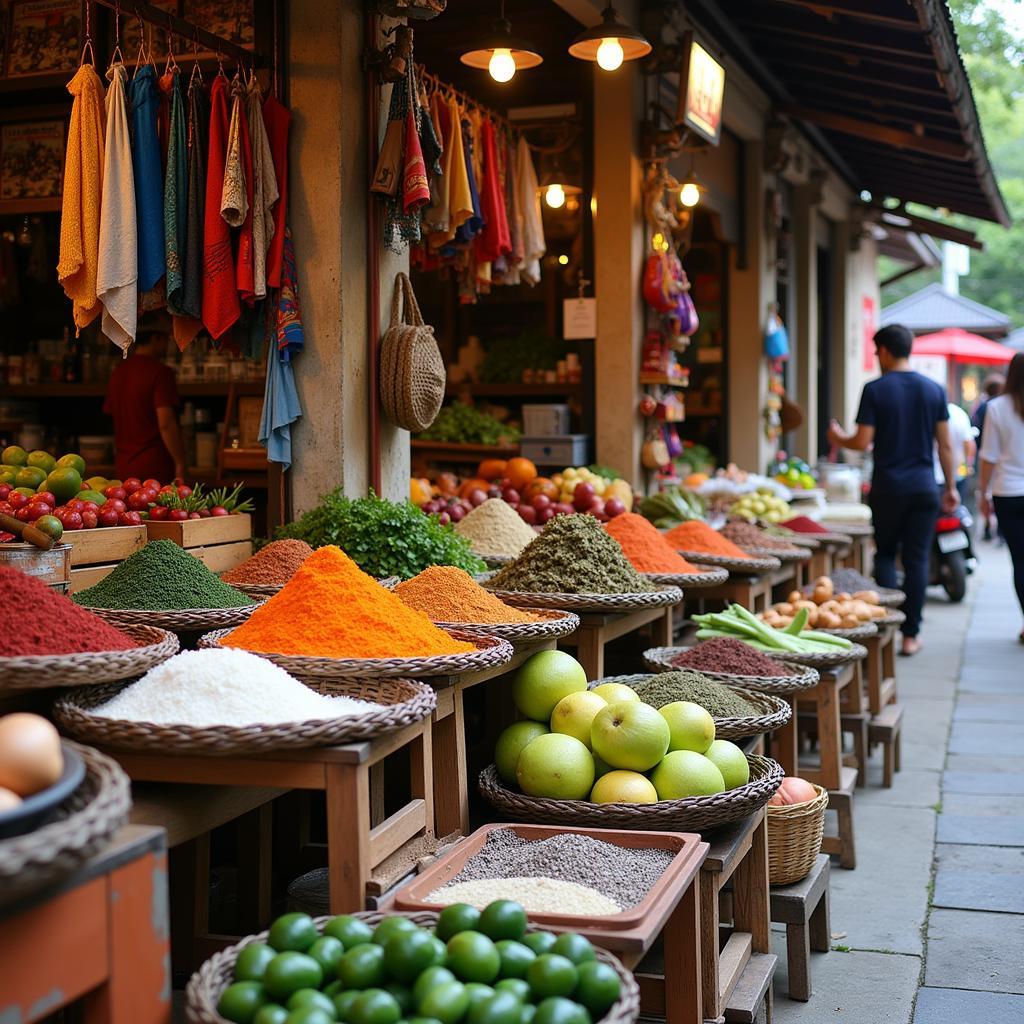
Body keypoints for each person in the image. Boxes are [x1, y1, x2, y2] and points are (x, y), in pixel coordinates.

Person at [828, 323, 957, 657]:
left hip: (888, 488)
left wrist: (837, 436)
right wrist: (951, 487)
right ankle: (911, 635)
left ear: (884, 351)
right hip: (925, 488)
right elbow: (945, 445)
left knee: (885, 554)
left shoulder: (875, 389)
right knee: (915, 560)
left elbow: (861, 441)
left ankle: (884, 632)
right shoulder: (934, 390)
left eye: (876, 351)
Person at [977, 352, 1024, 641]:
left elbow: (989, 457)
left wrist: (983, 492)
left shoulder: (996, 408)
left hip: (1008, 492)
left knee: (1020, 560)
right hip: (1008, 491)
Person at [103, 329, 187, 484]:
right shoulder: (161, 373)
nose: (169, 344)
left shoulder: (117, 373)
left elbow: (112, 415)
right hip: (155, 466)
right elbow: (166, 424)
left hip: (124, 465)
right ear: (155, 339)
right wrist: (180, 462)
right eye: (166, 339)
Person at [973, 374, 1005, 541]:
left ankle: (987, 526)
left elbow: (975, 431)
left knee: (989, 494)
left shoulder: (987, 407)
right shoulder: (1008, 407)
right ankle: (999, 530)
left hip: (987, 456)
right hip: (1003, 462)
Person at [934, 401, 975, 506]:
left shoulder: (926, 411)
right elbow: (969, 445)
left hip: (932, 477)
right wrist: (966, 466)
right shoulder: (959, 414)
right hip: (956, 475)